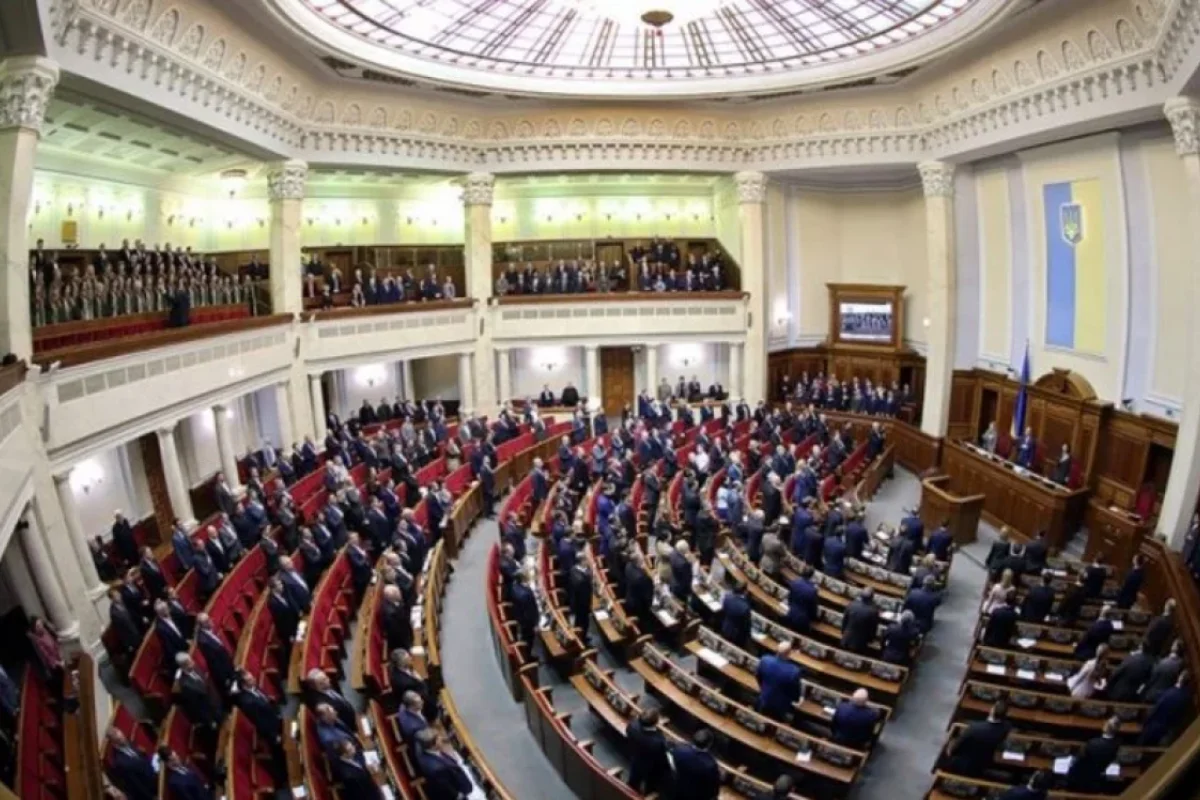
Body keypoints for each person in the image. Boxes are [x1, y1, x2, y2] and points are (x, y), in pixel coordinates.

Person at [943, 701, 1011, 777]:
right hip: (984, 763)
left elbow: (956, 746)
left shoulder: (974, 727)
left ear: (992, 710)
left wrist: (950, 749)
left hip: (963, 763)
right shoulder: (1006, 728)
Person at [413, 728, 474, 800]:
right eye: (439, 739)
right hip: (460, 791)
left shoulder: (424, 751)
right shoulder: (438, 769)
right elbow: (452, 792)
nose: (441, 738)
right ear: (434, 745)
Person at [1067, 717, 1121, 792]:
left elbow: (1081, 759)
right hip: (1096, 780)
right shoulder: (1116, 745)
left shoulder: (1093, 743)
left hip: (1079, 780)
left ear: (1105, 727)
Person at [755, 641, 803, 721]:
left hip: (762, 700)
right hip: (780, 709)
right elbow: (795, 695)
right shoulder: (794, 671)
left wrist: (764, 688)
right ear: (789, 654)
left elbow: (758, 676)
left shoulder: (765, 660)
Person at [105, 727, 157, 800]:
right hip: (150, 790)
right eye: (119, 739)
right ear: (113, 743)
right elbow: (136, 784)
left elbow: (141, 759)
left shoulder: (129, 742)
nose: (123, 739)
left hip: (154, 777)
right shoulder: (120, 762)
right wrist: (151, 797)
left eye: (122, 736)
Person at [668, 728, 720, 800]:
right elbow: (713, 790)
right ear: (709, 745)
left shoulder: (679, 749)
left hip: (675, 789)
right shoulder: (710, 765)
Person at [626, 708, 668, 794]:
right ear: (656, 723)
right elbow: (661, 756)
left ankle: (630, 792)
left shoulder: (632, 725)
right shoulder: (658, 741)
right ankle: (648, 794)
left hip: (636, 757)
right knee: (651, 783)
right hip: (650, 766)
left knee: (634, 779)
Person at [840, 588, 879, 655]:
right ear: (872, 598)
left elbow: (844, 621)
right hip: (860, 644)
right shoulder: (873, 611)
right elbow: (873, 629)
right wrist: (871, 639)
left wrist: (843, 632)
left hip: (846, 639)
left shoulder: (851, 604)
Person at [720, 581, 752, 648]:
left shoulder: (727, 598)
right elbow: (746, 626)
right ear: (745, 592)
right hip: (737, 636)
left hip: (725, 629)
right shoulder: (745, 607)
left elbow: (724, 610)